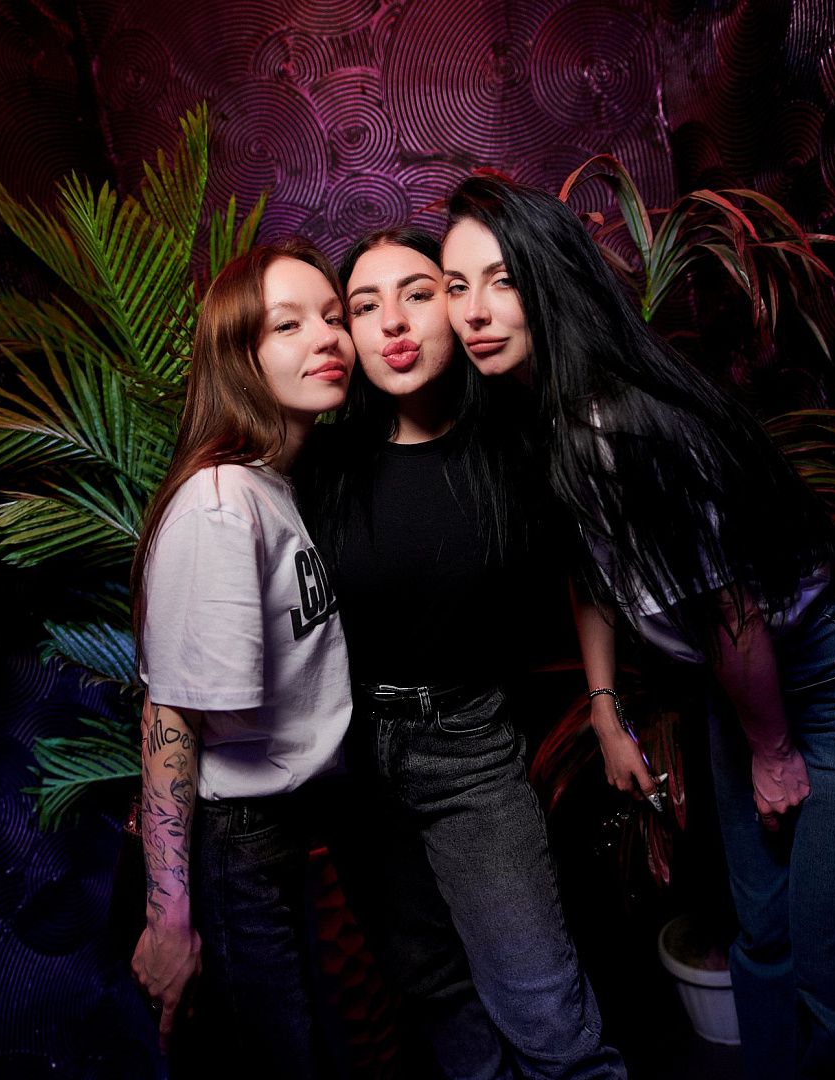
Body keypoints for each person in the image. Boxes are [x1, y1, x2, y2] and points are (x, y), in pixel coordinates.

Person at [441, 177, 835, 1079]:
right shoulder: (547, 412)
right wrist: (602, 706)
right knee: (764, 939)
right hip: (740, 683)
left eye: (501, 280)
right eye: (455, 285)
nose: (472, 311)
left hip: (831, 677)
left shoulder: (618, 425)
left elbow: (729, 608)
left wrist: (773, 751)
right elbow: (591, 564)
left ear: (551, 279)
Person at [295, 227, 627, 1080]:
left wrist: (603, 704)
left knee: (544, 1009)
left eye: (418, 293)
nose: (393, 324)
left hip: (469, 750)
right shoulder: (313, 466)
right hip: (351, 760)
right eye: (364, 306)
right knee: (435, 993)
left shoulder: (523, 443)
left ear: (456, 306)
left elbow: (592, 570)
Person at [129, 240, 356, 1078]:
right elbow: (170, 714)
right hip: (236, 844)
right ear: (239, 356)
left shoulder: (274, 487)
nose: (327, 337)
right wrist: (169, 916)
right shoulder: (221, 502)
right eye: (288, 325)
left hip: (282, 834)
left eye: (333, 316)